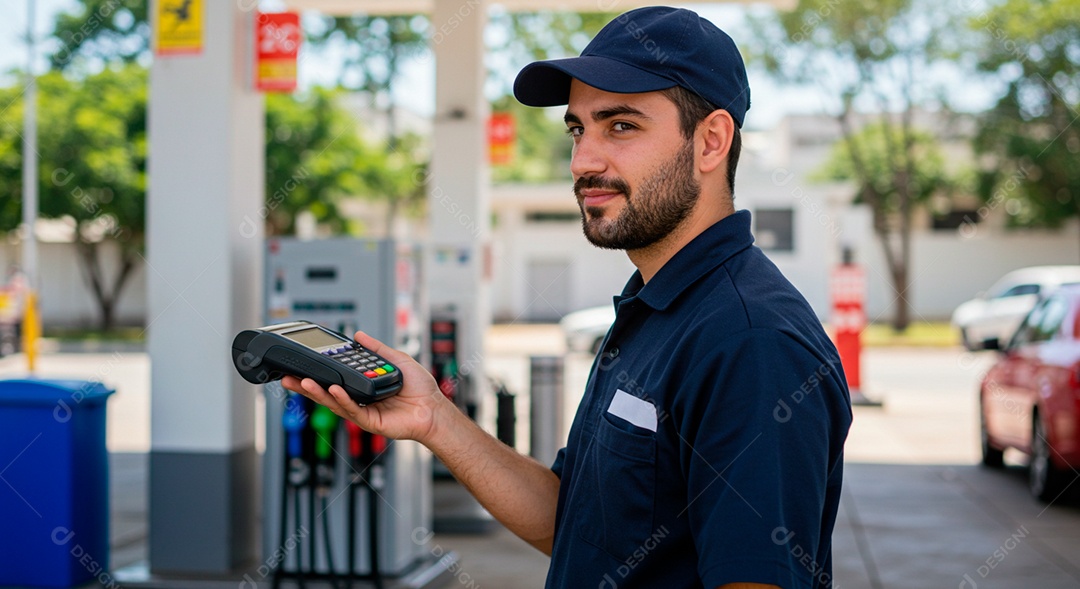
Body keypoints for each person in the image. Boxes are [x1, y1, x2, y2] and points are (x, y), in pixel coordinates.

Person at [284, 6, 852, 588]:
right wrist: (435, 419)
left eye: (621, 126)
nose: (583, 161)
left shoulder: (750, 343)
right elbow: (572, 519)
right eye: (578, 129)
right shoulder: (655, 308)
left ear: (711, 141)